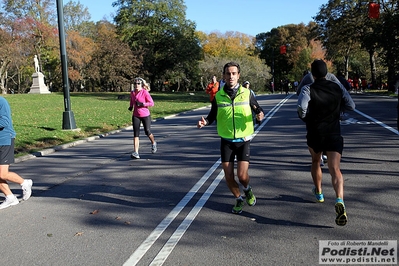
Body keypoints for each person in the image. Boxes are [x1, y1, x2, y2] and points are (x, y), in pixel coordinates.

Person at [197, 62, 264, 214]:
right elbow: (211, 116)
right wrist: (204, 122)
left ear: (238, 75)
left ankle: (247, 189)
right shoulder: (218, 96)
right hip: (226, 141)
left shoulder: (247, 94)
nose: (231, 76)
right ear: (224, 76)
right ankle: (239, 199)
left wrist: (260, 115)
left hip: (243, 140)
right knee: (228, 176)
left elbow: (258, 110)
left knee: (242, 176)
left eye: (234, 73)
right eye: (228, 73)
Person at [297, 59, 355, 226]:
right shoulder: (337, 87)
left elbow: (301, 109)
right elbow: (351, 105)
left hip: (315, 132)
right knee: (335, 168)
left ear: (312, 74)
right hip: (333, 131)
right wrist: (338, 111)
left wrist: (306, 117)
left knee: (316, 161)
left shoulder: (308, 88)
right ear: (326, 72)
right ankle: (339, 199)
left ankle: (319, 193)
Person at [0, 97, 33, 210]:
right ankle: (10, 197)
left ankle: (24, 183)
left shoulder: (1, 101)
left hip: (4, 139)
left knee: (2, 174)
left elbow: (4, 121)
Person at [128, 77, 157, 159]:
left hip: (145, 115)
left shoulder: (145, 92)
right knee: (135, 134)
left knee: (147, 131)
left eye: (138, 84)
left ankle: (153, 143)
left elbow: (151, 103)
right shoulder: (132, 93)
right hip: (136, 115)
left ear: (142, 85)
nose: (136, 85)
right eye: (135, 84)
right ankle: (136, 152)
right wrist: (130, 106)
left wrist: (142, 104)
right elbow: (131, 100)